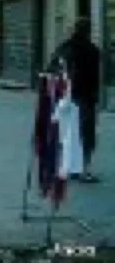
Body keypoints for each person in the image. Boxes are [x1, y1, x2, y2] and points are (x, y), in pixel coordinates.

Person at [48, 18, 101, 183]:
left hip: (66, 97)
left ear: (73, 30)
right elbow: (95, 77)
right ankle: (84, 169)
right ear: (88, 31)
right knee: (86, 134)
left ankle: (67, 167)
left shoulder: (63, 48)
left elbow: (51, 70)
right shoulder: (93, 50)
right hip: (85, 98)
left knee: (68, 133)